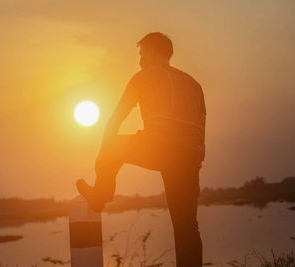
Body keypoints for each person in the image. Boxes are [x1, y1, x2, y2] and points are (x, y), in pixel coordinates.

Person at [76, 32, 206, 267]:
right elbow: (201, 125)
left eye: (142, 54)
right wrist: (197, 158)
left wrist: (105, 158)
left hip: (160, 146)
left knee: (112, 143)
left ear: (155, 52)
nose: (139, 60)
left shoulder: (143, 76)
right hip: (189, 155)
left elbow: (116, 119)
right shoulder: (194, 84)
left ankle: (101, 195)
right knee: (187, 224)